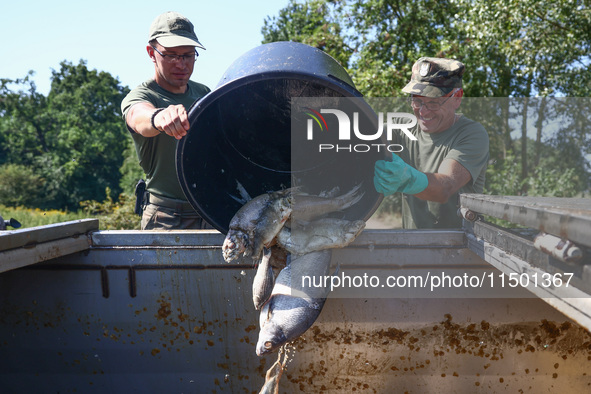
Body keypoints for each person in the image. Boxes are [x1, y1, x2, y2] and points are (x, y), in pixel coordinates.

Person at [121, 11, 213, 230]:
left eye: (188, 55)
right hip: (166, 218)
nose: (180, 64)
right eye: (171, 55)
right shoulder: (142, 96)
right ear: (151, 53)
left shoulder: (205, 93)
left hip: (210, 211)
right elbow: (138, 117)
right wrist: (159, 117)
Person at [374, 57, 489, 229]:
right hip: (412, 245)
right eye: (417, 100)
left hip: (459, 248)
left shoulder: (471, 134)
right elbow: (358, 137)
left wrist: (407, 179)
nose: (423, 111)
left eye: (433, 102)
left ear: (457, 97)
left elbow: (445, 187)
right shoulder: (401, 128)